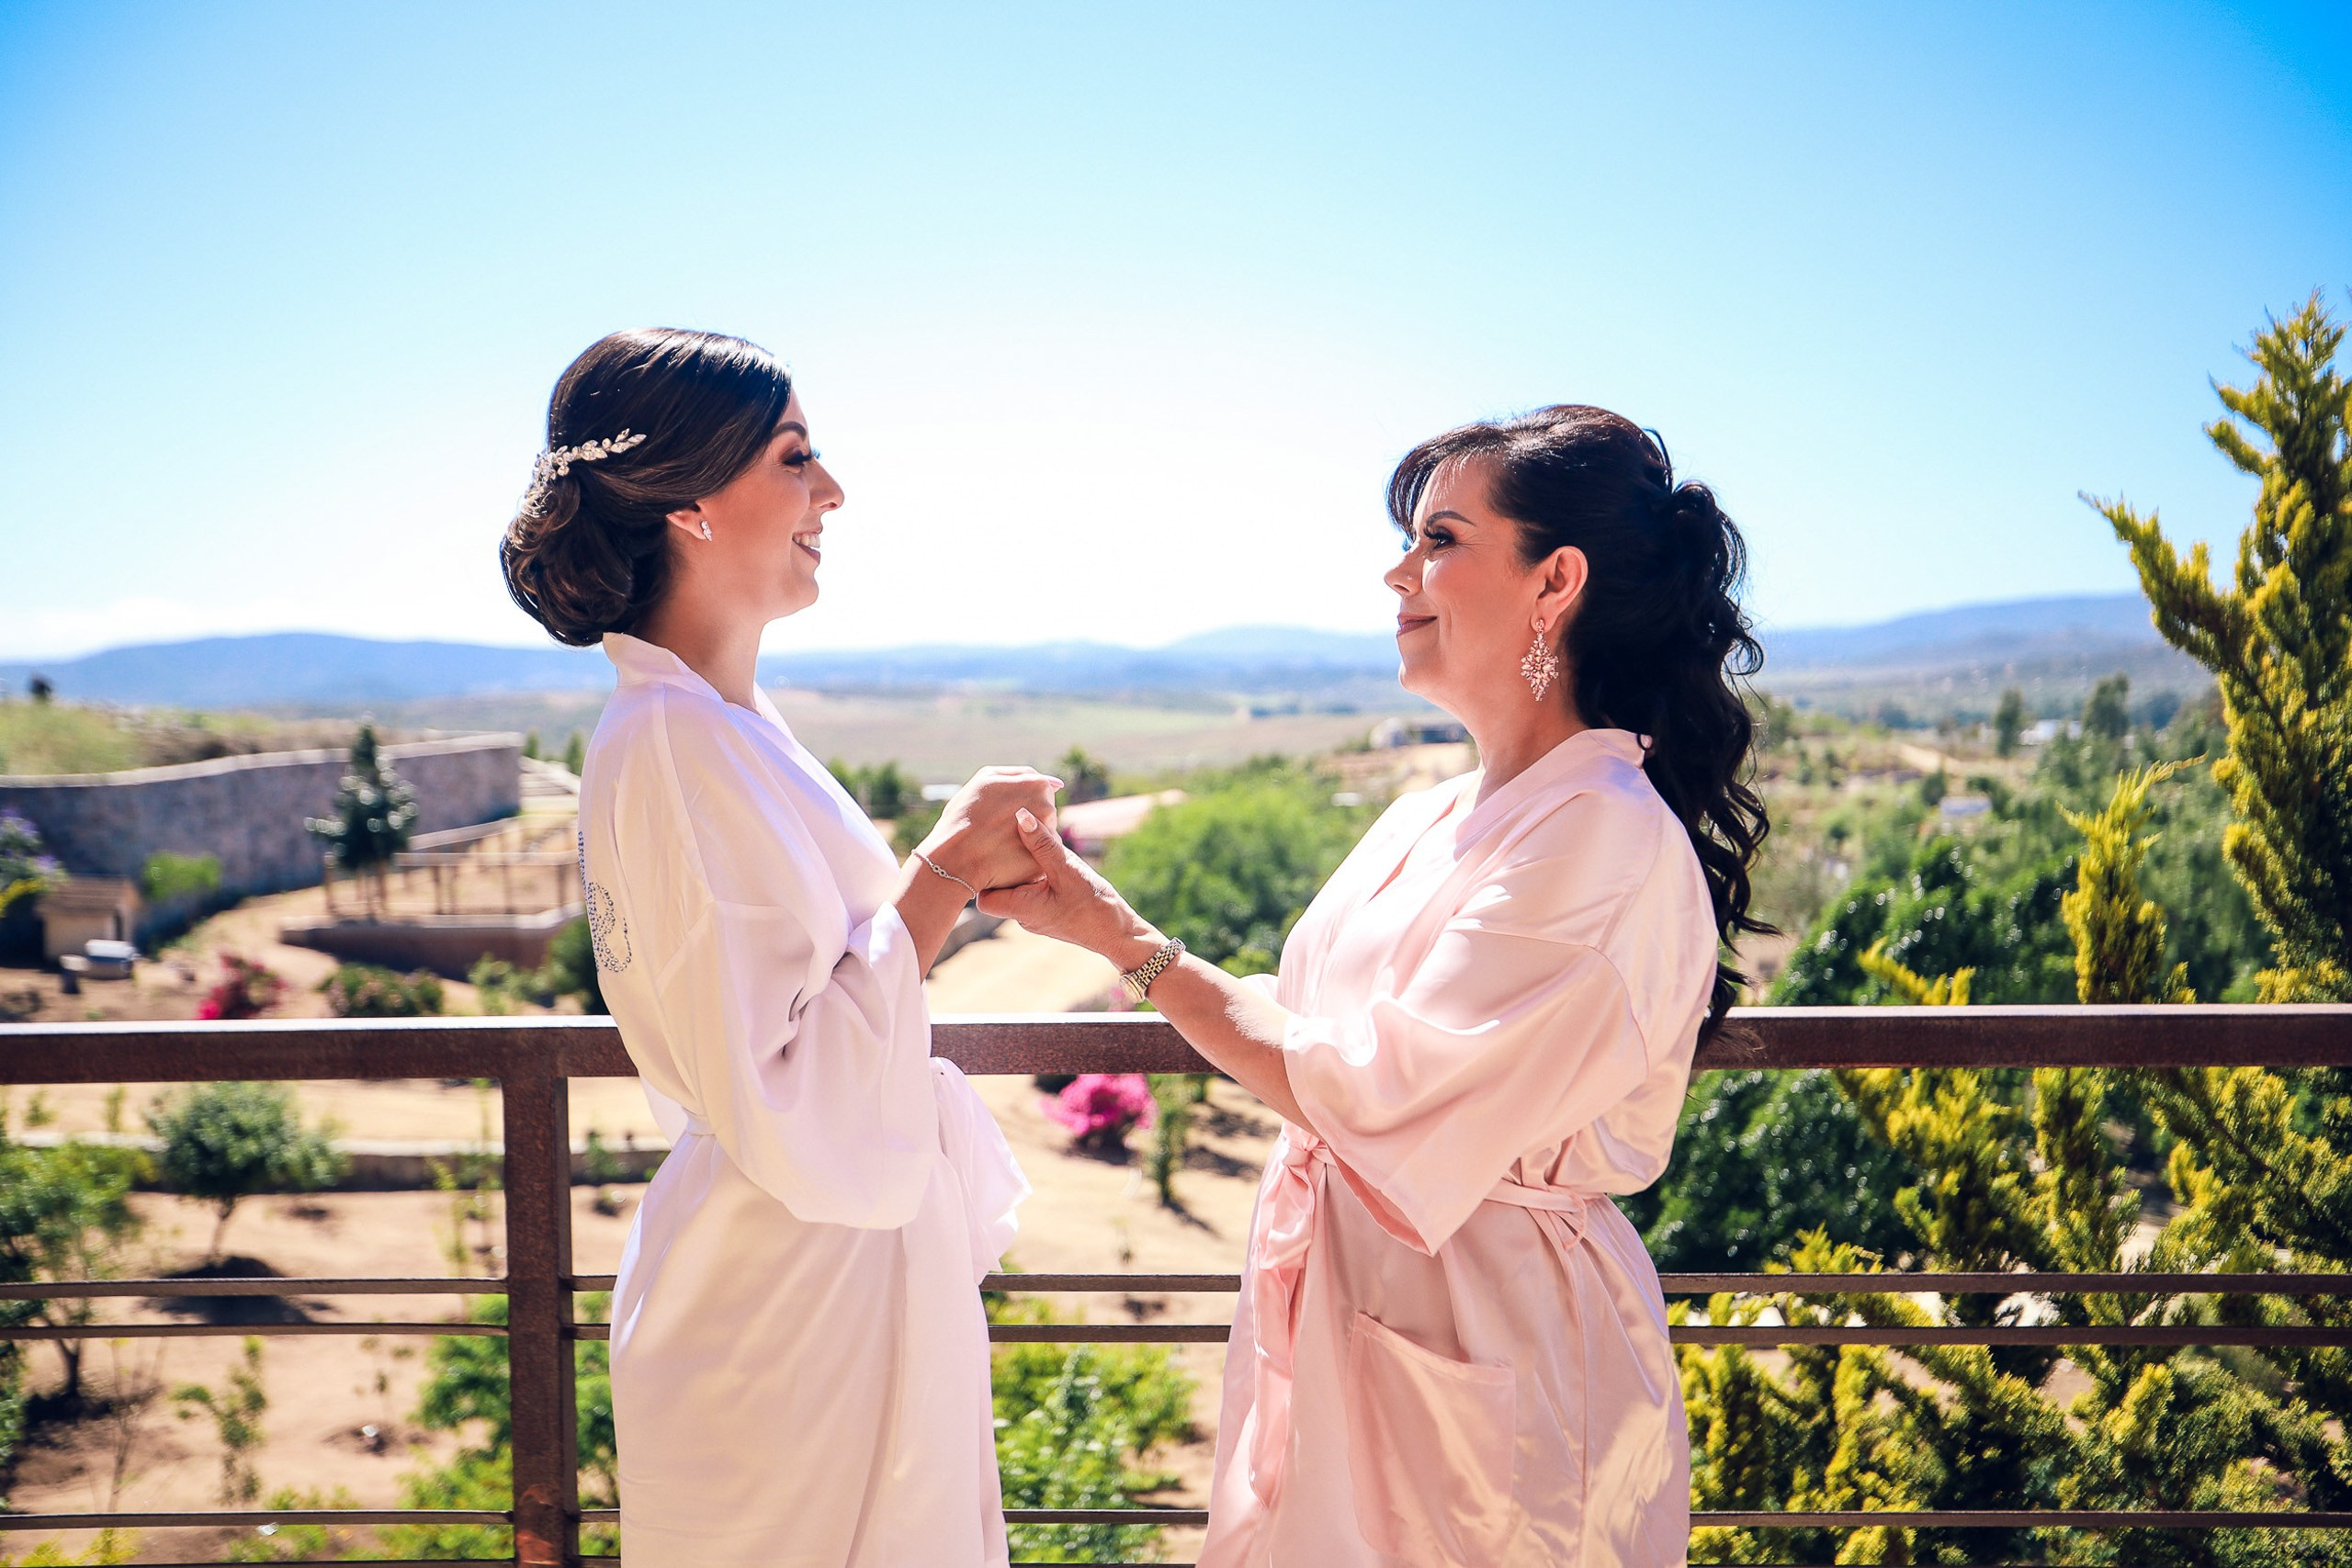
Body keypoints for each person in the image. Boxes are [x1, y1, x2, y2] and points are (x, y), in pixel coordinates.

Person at [984, 404, 1767, 1566]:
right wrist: (1089, 920)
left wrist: (1125, 942)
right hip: (1349, 1317)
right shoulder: (1427, 815)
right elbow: (1309, 1029)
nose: (1398, 573)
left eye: (1440, 540)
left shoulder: (1599, 835)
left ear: (1555, 582)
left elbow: (1372, 1088)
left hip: (1492, 1337)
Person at [500, 328, 1046, 1568]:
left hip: (821, 1261)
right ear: (690, 502)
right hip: (787, 1297)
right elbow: (784, 1078)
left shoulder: (722, 729)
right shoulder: (673, 744)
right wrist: (945, 869)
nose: (832, 492)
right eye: (796, 458)